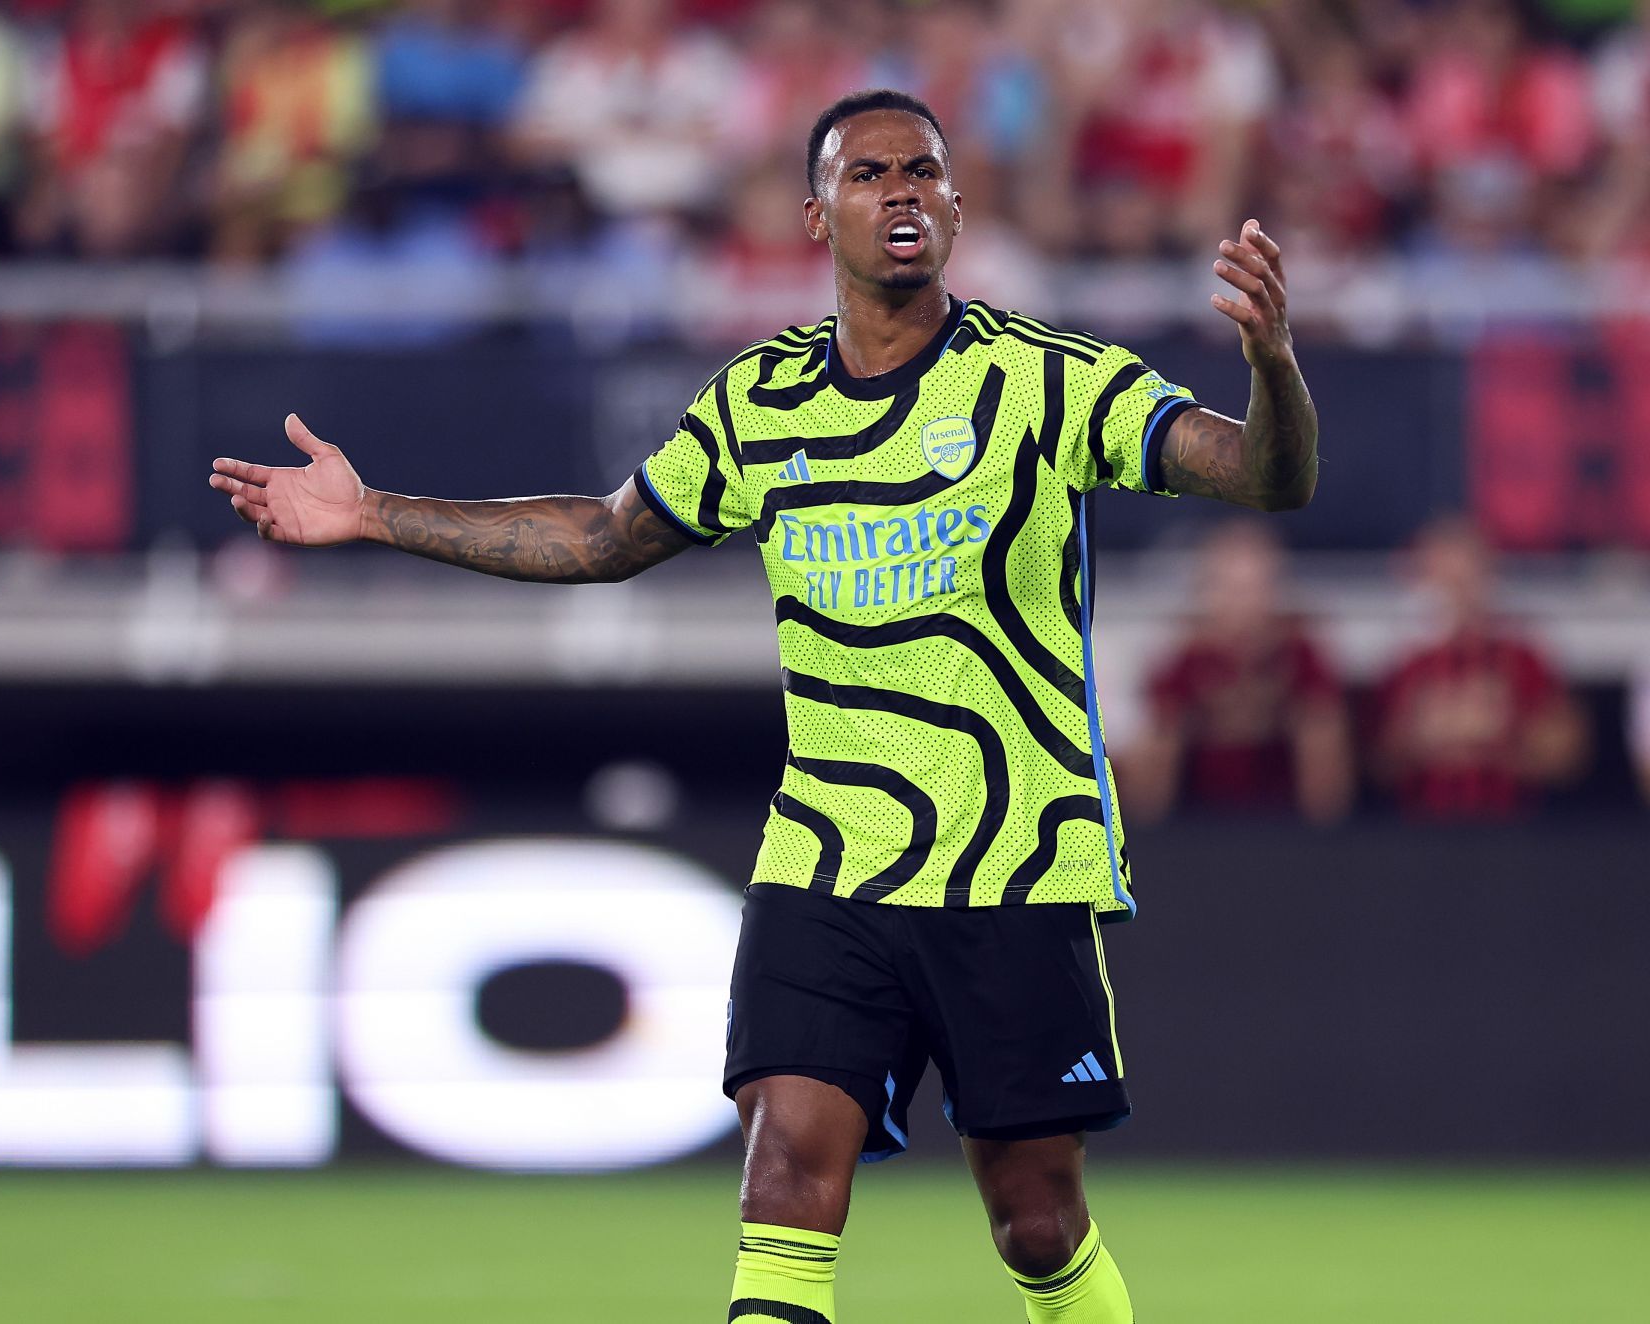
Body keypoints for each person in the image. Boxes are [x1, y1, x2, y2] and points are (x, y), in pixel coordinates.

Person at [208, 89, 1319, 1324]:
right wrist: (375, 513)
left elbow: (1268, 478)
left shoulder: (1046, 381)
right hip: (827, 863)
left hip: (1012, 858)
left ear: (956, 204)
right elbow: (603, 535)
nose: (901, 191)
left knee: (1036, 1214)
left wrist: (1272, 368)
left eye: (925, 171)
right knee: (784, 1169)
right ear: (814, 214)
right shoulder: (757, 402)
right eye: (868, 173)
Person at [1125, 520, 1353, 825]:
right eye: (1229, 590)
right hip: (1197, 822)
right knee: (1156, 738)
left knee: (1320, 728)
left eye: (1253, 590)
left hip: (1285, 821)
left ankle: (1329, 849)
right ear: (1206, 593)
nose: (1242, 606)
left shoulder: (1301, 655)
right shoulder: (1185, 660)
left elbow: (1327, 746)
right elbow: (1152, 759)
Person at [1373, 517, 1587, 819]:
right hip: (1423, 834)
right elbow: (1379, 765)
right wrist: (1421, 737)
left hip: (1511, 834)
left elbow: (1567, 756)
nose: (1455, 593)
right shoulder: (1407, 663)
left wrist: (1499, 735)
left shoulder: (1521, 657)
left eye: (1465, 577)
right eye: (1443, 578)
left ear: (1488, 576)